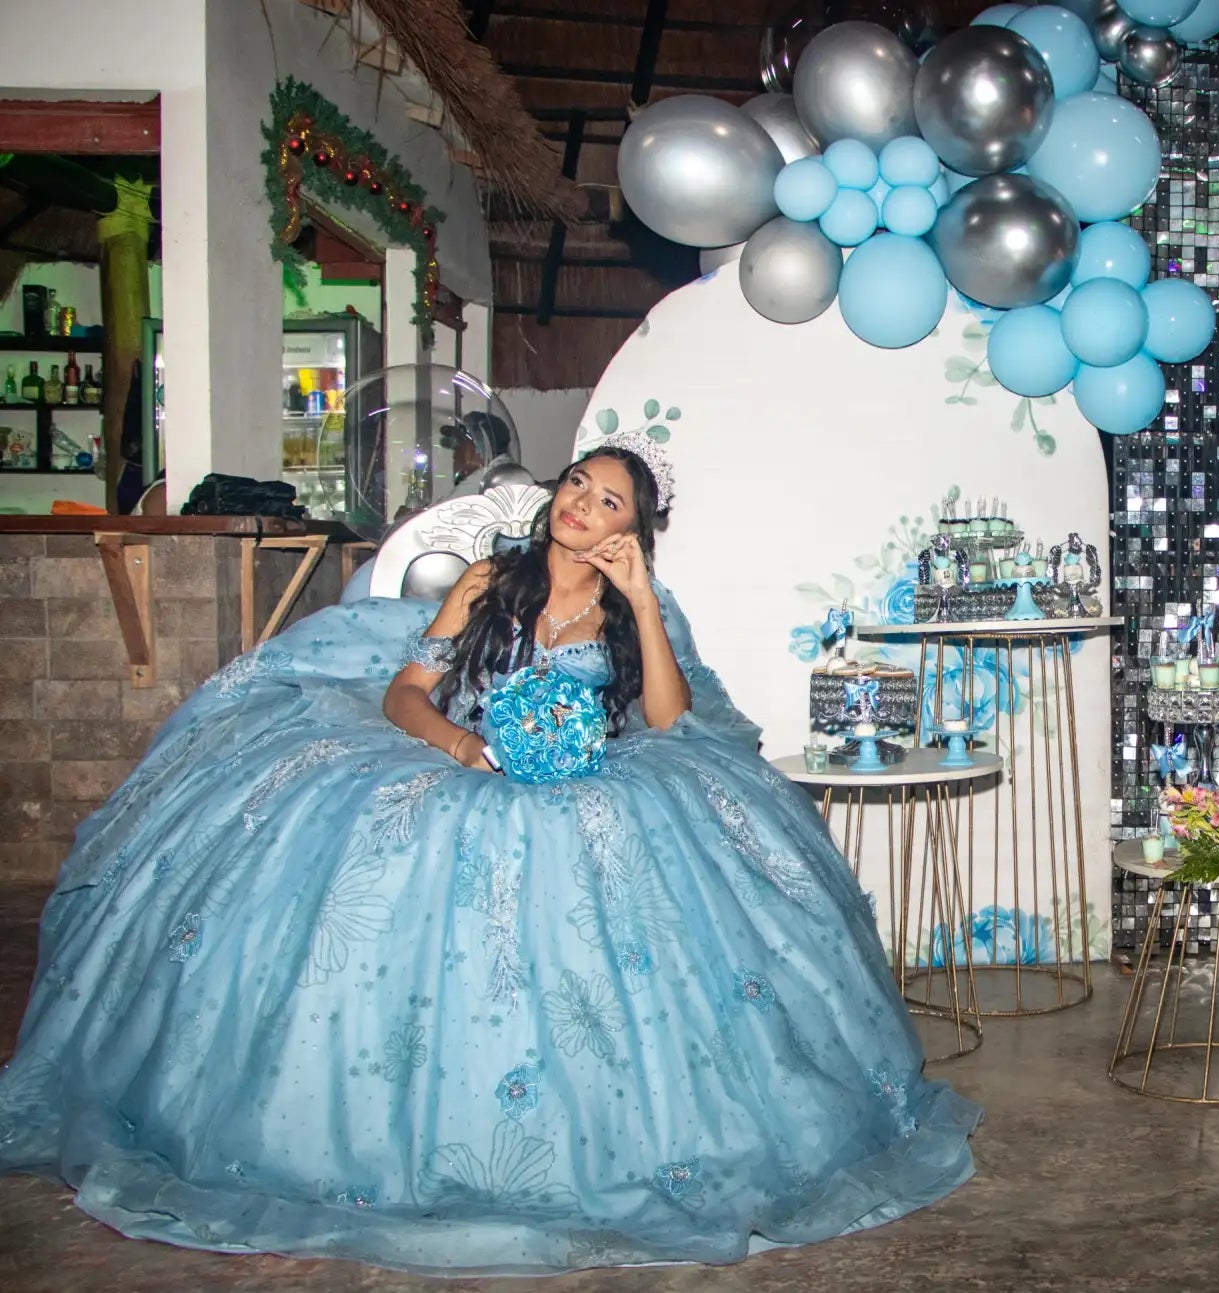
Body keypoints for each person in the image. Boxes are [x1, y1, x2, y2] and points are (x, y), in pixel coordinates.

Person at [0, 433, 980, 1274]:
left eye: (608, 503)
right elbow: (403, 697)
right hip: (457, 762)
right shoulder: (486, 581)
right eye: (575, 487)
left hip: (590, 781)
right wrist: (471, 748)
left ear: (629, 530)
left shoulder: (635, 610)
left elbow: (671, 724)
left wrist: (641, 604)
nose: (581, 509)